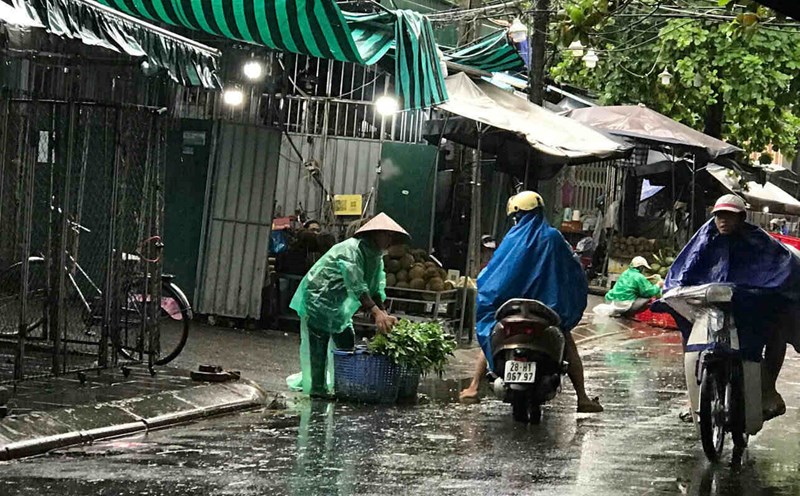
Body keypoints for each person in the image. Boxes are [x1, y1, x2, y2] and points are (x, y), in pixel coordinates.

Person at [459, 191, 604, 413]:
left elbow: (495, 273)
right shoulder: (553, 237)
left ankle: (474, 387)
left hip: (512, 310)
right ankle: (582, 398)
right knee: (567, 341)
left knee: (491, 332)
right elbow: (572, 270)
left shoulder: (512, 239)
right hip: (547, 311)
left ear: (517, 215)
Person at [665, 194, 800, 421]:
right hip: (713, 304)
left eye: (729, 216)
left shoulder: (759, 241)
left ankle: (768, 390)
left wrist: (771, 291)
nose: (723, 221)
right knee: (689, 333)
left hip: (752, 304)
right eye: (719, 216)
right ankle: (693, 398)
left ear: (742, 218)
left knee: (776, 329)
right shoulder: (704, 239)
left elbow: (783, 266)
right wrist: (675, 289)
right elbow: (683, 268)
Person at [287, 213, 407, 398]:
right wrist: (376, 313)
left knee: (346, 340)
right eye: (386, 234)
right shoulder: (352, 250)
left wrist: (383, 312)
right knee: (318, 346)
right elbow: (357, 284)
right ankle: (318, 391)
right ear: (375, 234)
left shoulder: (375, 256)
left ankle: (343, 385)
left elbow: (375, 287)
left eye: (391, 236)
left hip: (338, 304)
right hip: (319, 299)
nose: (389, 239)